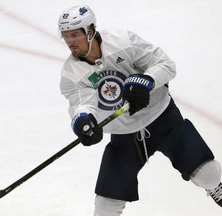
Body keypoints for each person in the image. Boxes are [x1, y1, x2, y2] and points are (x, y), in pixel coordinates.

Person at [58, 4, 222, 215]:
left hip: (164, 121)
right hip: (124, 137)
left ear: (90, 32)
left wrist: (147, 80)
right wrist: (84, 120)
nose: (69, 42)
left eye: (74, 35)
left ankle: (215, 185)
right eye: (65, 36)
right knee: (105, 207)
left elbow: (166, 64)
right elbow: (81, 103)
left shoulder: (123, 42)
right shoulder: (71, 73)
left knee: (208, 175)